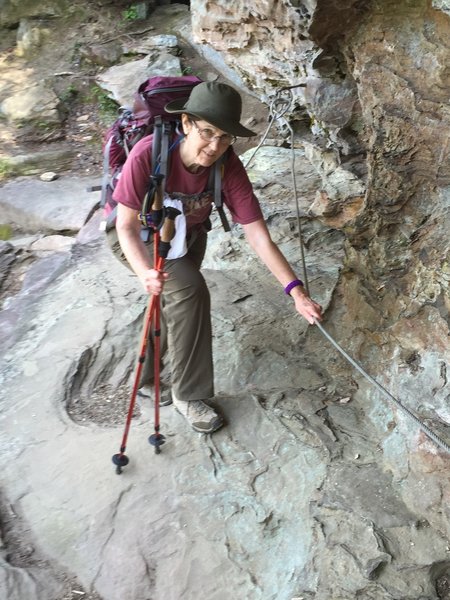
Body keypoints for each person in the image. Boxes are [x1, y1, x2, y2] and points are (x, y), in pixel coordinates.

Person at [110, 81, 322, 435]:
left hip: (188, 237)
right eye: (207, 132)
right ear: (186, 123)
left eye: (225, 138)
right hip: (143, 237)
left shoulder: (227, 166)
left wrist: (295, 291)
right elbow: (125, 226)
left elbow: (257, 235)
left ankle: (149, 379)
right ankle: (188, 394)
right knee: (190, 291)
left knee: (174, 299)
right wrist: (144, 270)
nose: (214, 146)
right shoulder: (150, 153)